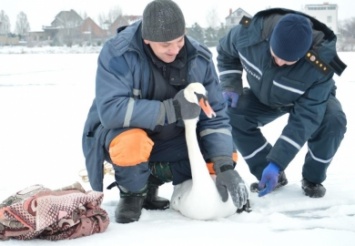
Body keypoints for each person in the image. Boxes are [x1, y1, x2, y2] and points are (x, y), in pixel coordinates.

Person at [82, 0, 249, 224]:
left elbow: (215, 116)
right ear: (147, 39)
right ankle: (133, 194)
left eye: (180, 40)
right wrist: (172, 109)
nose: (175, 49)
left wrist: (224, 164)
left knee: (225, 151)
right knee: (132, 143)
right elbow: (111, 110)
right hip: (122, 133)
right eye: (166, 44)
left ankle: (206, 187)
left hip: (172, 135)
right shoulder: (118, 53)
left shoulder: (199, 58)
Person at [216, 8, 347, 198]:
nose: (279, 63)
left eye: (288, 62)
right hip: (264, 96)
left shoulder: (322, 63)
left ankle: (312, 178)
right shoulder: (247, 33)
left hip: (305, 97)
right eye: (276, 55)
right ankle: (268, 173)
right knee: (232, 113)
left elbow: (306, 118)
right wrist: (229, 85)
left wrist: (277, 161)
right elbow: (226, 54)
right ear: (269, 40)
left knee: (334, 120)